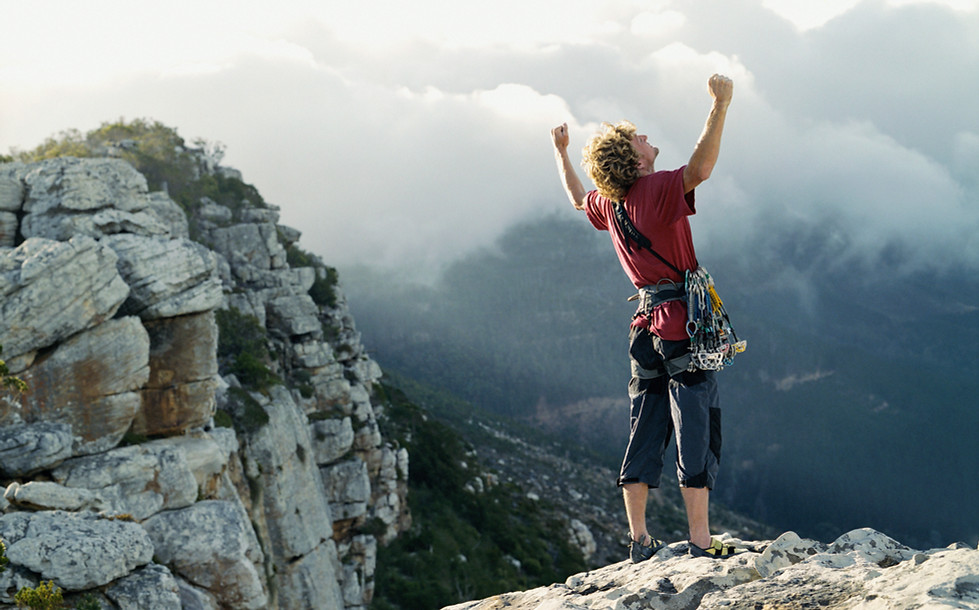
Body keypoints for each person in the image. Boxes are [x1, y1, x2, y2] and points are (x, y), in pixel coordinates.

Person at [550, 74, 743, 562]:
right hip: (681, 324)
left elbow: (577, 198)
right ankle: (700, 542)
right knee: (695, 424)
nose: (647, 137)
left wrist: (561, 153)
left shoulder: (612, 204)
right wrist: (721, 105)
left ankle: (638, 540)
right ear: (635, 159)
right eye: (640, 137)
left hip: (643, 326)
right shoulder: (654, 190)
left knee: (645, 424)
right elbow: (699, 169)